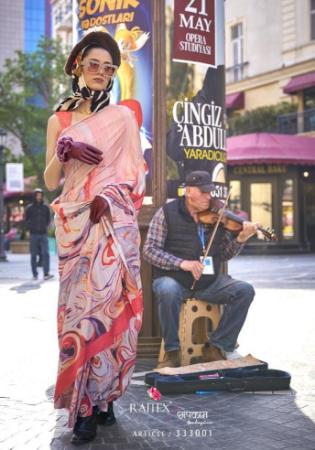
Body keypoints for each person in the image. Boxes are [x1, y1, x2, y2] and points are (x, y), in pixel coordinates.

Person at [44, 31, 146, 445]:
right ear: (77, 67)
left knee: (107, 308)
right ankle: (83, 402)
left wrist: (109, 195)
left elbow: (136, 174)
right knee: (78, 316)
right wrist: (63, 150)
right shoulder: (60, 119)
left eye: (109, 68)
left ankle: (101, 400)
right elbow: (51, 180)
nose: (102, 73)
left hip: (112, 223)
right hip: (74, 227)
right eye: (94, 65)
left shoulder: (123, 117)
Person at [143, 171, 257, 369]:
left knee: (245, 290)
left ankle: (218, 345)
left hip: (208, 282)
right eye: (203, 192)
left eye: (210, 192)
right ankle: (172, 351)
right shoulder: (167, 213)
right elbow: (149, 250)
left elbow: (225, 254)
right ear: (188, 191)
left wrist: (240, 239)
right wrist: (182, 263)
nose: (209, 197)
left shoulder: (218, 216)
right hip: (174, 279)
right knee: (167, 290)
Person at [24, 188, 54, 280]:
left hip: (43, 234)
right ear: (34, 196)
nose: (39, 196)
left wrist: (46, 226)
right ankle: (35, 274)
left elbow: (48, 220)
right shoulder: (29, 208)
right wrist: (30, 227)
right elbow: (26, 220)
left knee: (46, 253)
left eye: (40, 195)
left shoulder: (45, 208)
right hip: (33, 234)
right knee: (33, 255)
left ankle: (46, 273)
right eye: (37, 195)